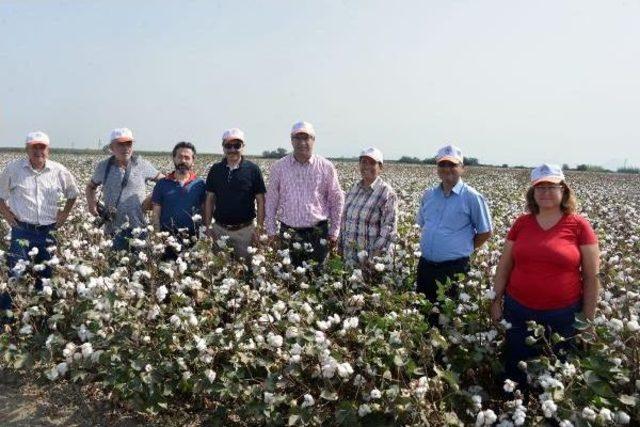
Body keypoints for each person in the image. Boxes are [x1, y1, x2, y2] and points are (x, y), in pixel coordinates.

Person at [490, 164, 600, 391]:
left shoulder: (579, 226)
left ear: (563, 191)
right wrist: (495, 301)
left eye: (552, 186)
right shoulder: (522, 223)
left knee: (556, 375)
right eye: (540, 187)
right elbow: (505, 265)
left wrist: (587, 321)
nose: (545, 192)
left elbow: (591, 277)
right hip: (518, 311)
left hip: (563, 315)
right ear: (532, 193)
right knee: (516, 369)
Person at [0, 131, 78, 319]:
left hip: (48, 231)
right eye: (34, 147)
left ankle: (41, 317)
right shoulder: (13, 169)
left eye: (41, 147)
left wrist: (65, 214)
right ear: (27, 149)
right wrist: (9, 217)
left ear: (48, 149)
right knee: (15, 275)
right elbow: (0, 196)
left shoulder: (59, 170)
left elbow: (73, 193)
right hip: (22, 230)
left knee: (47, 275)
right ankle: (5, 319)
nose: (38, 151)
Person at [416, 144, 492, 322]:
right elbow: (422, 224)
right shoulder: (429, 195)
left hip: (454, 269)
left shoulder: (472, 197)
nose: (447, 169)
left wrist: (463, 248)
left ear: (462, 169)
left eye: (452, 165)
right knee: (423, 315)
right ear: (437, 169)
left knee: (448, 318)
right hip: (426, 266)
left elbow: (485, 231)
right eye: (442, 165)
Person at [265, 121, 345, 268]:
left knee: (317, 275)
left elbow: (336, 199)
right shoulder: (279, 167)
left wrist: (334, 231)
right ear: (291, 141)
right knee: (288, 277)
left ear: (313, 140)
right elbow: (271, 200)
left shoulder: (326, 167)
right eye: (298, 138)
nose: (302, 143)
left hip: (318, 233)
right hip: (288, 232)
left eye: (306, 138)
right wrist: (271, 231)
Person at [85, 128, 163, 251]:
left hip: (139, 227)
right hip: (113, 229)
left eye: (129, 144)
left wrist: (151, 199)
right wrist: (91, 205)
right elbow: (90, 187)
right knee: (115, 265)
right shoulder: (103, 166)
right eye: (120, 144)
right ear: (111, 147)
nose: (125, 148)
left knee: (138, 265)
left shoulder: (142, 164)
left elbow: (164, 182)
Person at [204, 128, 266, 259]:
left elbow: (261, 201)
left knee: (246, 272)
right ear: (223, 147)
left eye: (237, 145)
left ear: (243, 147)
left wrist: (259, 229)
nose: (232, 149)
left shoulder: (253, 170)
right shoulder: (215, 170)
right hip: (219, 230)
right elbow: (209, 199)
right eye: (228, 145)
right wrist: (208, 227)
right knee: (219, 271)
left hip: (245, 232)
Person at [339, 147, 398, 265]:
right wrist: (340, 250)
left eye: (372, 163)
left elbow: (389, 230)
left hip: (370, 262)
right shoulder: (354, 189)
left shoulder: (387, 193)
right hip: (349, 258)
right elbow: (345, 221)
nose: (367, 166)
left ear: (380, 167)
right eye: (363, 162)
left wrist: (373, 260)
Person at [151, 141, 206, 251]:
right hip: (167, 239)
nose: (183, 161)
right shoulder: (162, 184)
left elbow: (204, 213)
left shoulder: (200, 184)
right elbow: (156, 214)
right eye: (180, 157)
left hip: (193, 238)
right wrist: (156, 237)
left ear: (193, 161)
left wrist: (204, 238)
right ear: (174, 158)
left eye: (187, 157)